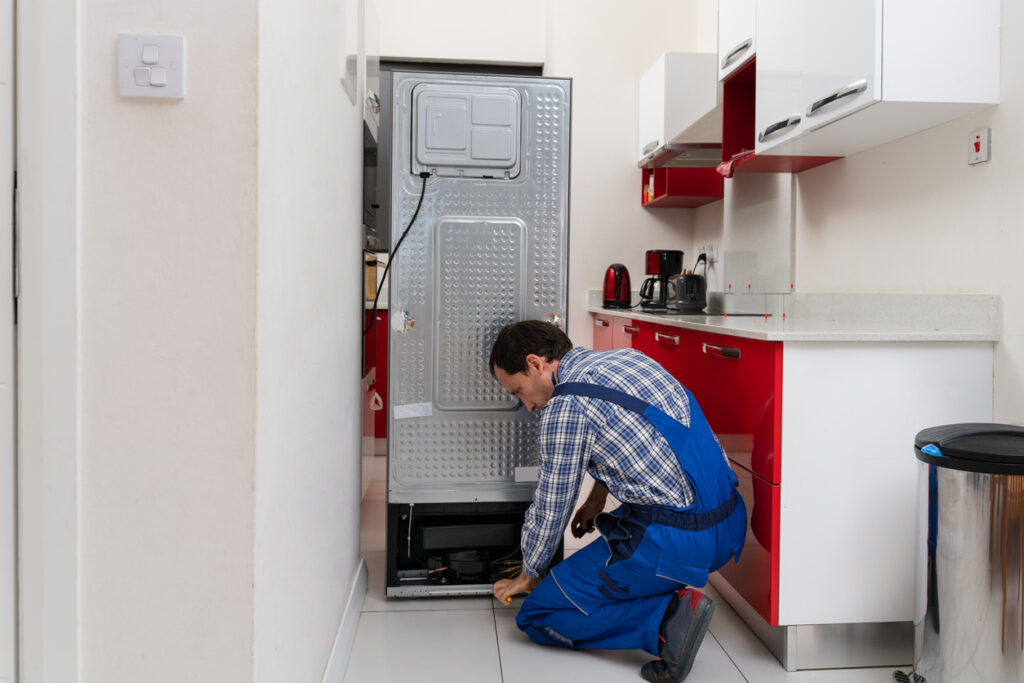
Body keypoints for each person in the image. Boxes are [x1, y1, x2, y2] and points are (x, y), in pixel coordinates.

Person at [489, 320, 746, 683]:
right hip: (729, 522)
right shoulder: (629, 359)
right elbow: (638, 440)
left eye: (519, 391)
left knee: (537, 616)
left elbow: (552, 507)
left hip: (678, 545)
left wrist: (529, 572)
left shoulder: (564, 408)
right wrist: (597, 498)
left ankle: (668, 619)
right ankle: (660, 591)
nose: (527, 405)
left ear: (535, 364)